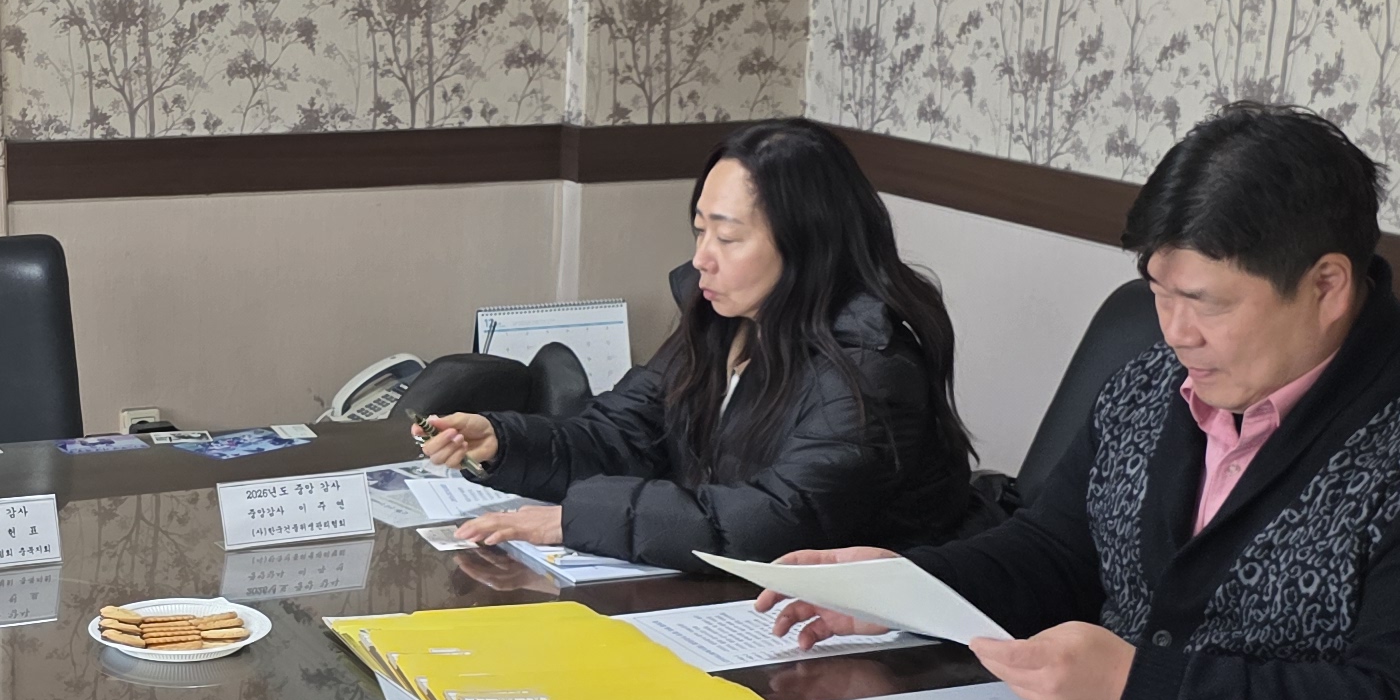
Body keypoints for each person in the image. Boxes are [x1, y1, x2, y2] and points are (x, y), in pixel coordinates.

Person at [766, 105, 1400, 700]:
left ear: (1326, 286)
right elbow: (1056, 552)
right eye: (1159, 290)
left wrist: (1139, 686)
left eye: (1207, 302)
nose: (1176, 331)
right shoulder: (1155, 386)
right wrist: (906, 589)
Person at [410, 119, 983, 573]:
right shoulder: (722, 318)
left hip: (872, 635)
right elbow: (624, 434)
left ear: (808, 246)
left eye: (728, 237)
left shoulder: (868, 367)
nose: (701, 258)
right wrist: (505, 442)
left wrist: (574, 519)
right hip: (741, 599)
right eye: (700, 230)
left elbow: (774, 522)